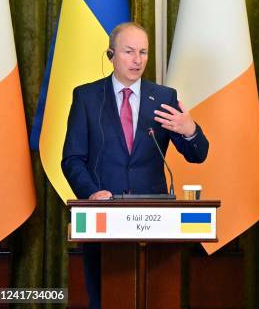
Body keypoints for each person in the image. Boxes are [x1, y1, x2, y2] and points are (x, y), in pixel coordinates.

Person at [62, 22, 209, 308]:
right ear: (111, 54)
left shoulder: (164, 98)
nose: (137, 59)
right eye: (129, 51)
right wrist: (91, 193)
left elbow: (197, 154)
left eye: (143, 52)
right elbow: (72, 158)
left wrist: (190, 130)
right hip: (103, 220)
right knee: (104, 299)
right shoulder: (87, 97)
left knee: (158, 298)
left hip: (156, 224)